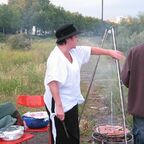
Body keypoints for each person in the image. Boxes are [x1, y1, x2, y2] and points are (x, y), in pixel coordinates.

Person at [44, 23, 125, 144]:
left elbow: (91, 50)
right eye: (75, 37)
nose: (77, 39)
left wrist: (109, 52)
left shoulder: (73, 51)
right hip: (58, 104)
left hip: (71, 102)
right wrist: (59, 107)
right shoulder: (56, 57)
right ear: (68, 39)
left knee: (73, 134)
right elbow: (52, 82)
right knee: (61, 137)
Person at [121, 44, 144, 144]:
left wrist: (138, 87)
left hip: (140, 106)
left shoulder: (135, 51)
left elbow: (125, 79)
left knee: (141, 134)